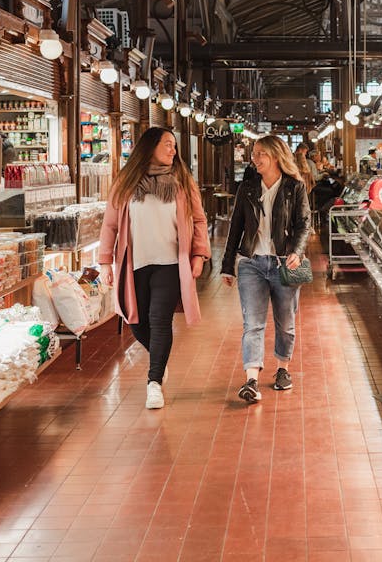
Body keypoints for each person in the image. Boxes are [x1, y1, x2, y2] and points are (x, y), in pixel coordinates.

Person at [98, 127, 210, 410]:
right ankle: (159, 360)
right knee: (135, 320)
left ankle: (154, 382)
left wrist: (199, 254)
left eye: (174, 145)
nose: (173, 150)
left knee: (160, 320)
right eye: (168, 144)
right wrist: (104, 261)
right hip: (134, 263)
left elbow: (198, 220)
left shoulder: (182, 180)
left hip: (170, 264)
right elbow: (110, 224)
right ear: (150, 147)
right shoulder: (125, 182)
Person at [220, 135, 312, 403]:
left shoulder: (294, 187)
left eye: (260, 153)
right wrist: (228, 265)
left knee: (285, 323)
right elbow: (235, 227)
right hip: (252, 264)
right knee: (253, 324)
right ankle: (251, 379)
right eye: (254, 153)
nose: (254, 158)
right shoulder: (247, 188)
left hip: (284, 263)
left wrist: (296, 251)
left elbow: (304, 224)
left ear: (275, 156)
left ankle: (283, 369)